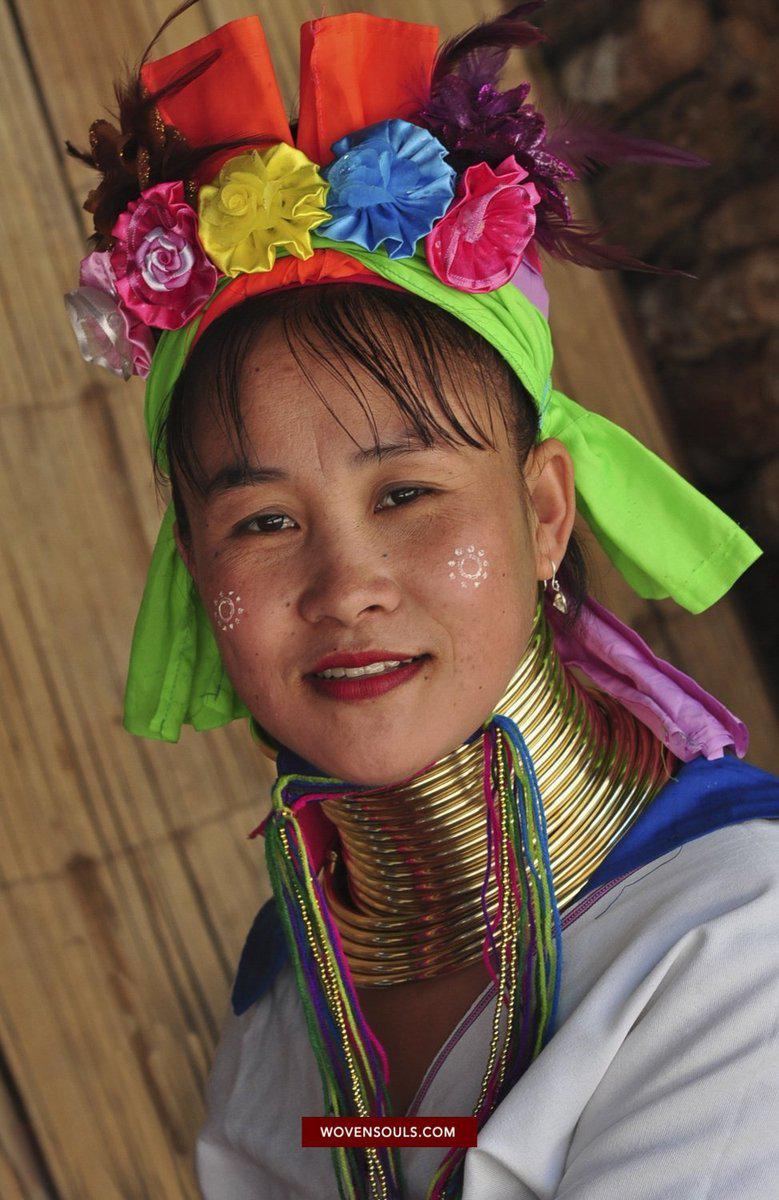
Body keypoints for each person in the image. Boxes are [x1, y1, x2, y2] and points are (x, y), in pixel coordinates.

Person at [64, 4, 779, 1198]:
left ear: (543, 512)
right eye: (262, 521)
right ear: (194, 574)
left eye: (406, 493)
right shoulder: (288, 994)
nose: (346, 588)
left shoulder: (725, 944)